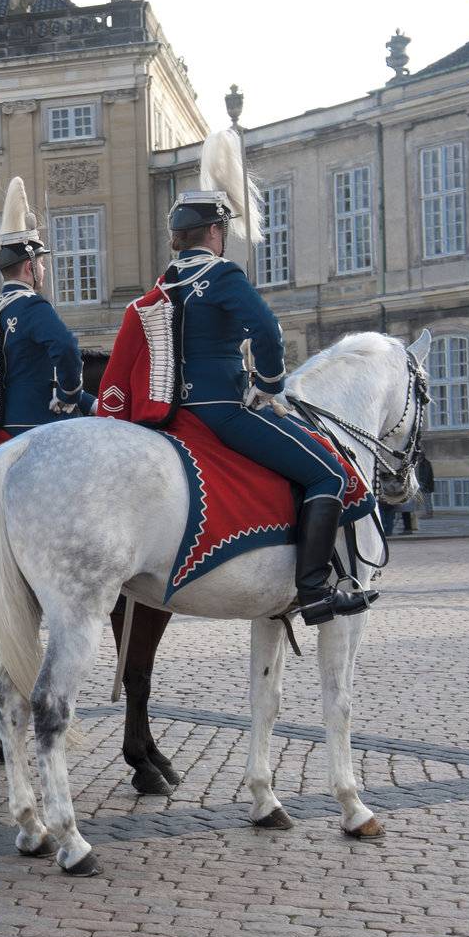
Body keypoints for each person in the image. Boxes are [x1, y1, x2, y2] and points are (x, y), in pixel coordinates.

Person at [157, 129, 372, 625]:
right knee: (330, 473)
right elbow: (268, 332)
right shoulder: (223, 275)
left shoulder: (164, 283)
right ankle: (314, 589)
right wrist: (270, 387)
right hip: (224, 413)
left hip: (176, 413)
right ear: (215, 232)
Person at [0, 176, 92, 449]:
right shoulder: (31, 306)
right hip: (39, 426)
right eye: (42, 264)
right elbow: (65, 348)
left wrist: (89, 400)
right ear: (29, 268)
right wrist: (70, 394)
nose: (44, 270)